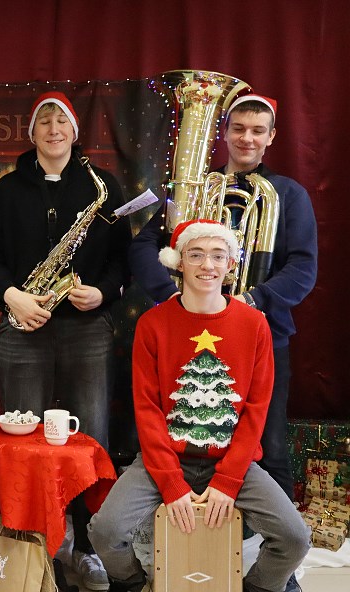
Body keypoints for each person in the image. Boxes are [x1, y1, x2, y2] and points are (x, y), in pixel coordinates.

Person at [88, 219, 310, 592]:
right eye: (196, 255)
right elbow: (147, 409)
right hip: (166, 458)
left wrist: (229, 479)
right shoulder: (153, 324)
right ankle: (131, 584)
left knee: (294, 538)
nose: (207, 264)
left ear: (230, 264)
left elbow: (256, 410)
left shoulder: (254, 325)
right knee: (105, 531)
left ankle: (259, 587)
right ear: (178, 262)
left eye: (218, 255)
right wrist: (169, 481)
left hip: (233, 461)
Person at [128, 94, 318, 506]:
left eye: (257, 131)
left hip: (261, 335)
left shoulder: (290, 194)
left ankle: (272, 544)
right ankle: (183, 530)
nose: (247, 138)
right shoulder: (194, 189)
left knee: (270, 444)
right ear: (225, 133)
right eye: (238, 128)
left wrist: (253, 300)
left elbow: (303, 269)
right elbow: (143, 247)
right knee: (175, 433)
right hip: (183, 334)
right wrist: (172, 295)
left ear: (271, 137)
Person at [0, 91, 131, 590]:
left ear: (75, 131)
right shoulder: (8, 188)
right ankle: (30, 550)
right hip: (24, 327)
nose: (53, 128)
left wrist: (102, 292)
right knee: (24, 444)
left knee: (91, 440)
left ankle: (87, 546)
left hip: (86, 328)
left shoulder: (101, 186)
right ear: (32, 133)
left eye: (61, 120)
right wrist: (13, 296)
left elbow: (122, 261)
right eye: (43, 121)